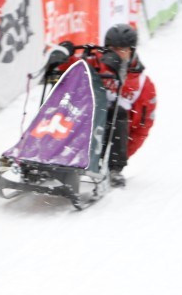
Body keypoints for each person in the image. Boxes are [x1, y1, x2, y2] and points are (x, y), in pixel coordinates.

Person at [47, 24, 156, 187]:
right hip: (78, 123)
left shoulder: (143, 85)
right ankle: (43, 153)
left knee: (118, 112)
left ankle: (114, 170)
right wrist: (62, 54)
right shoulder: (93, 62)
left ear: (132, 51)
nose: (118, 54)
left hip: (108, 139)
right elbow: (70, 66)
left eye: (123, 49)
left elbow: (142, 127)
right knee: (61, 102)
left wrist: (121, 157)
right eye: (113, 49)